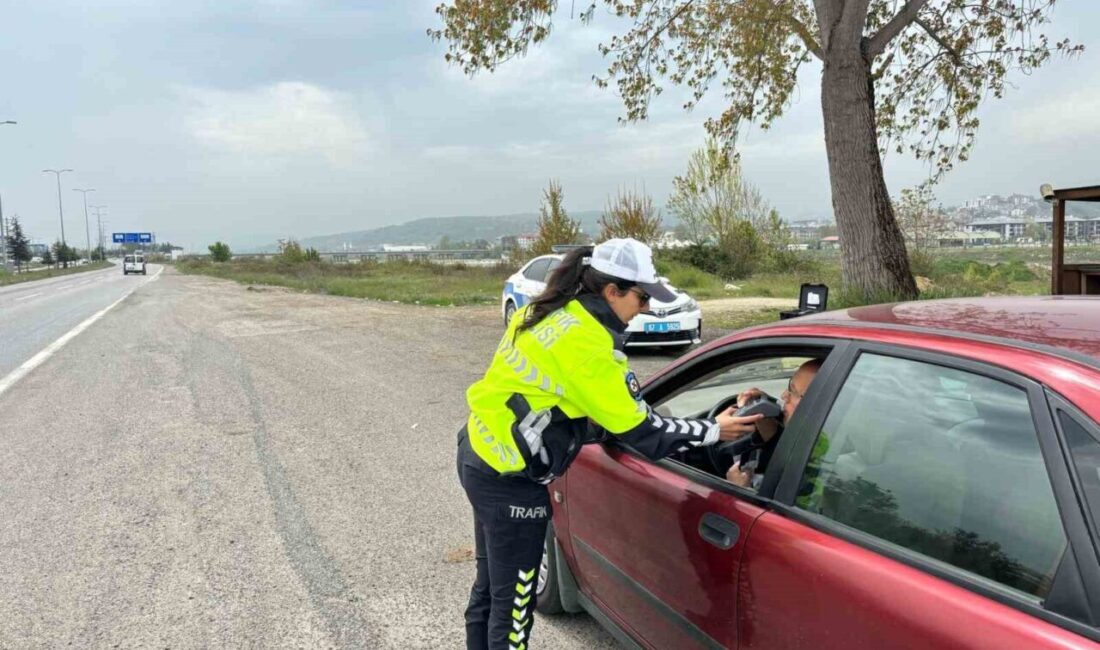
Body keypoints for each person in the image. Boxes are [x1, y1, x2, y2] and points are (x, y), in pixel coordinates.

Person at [457, 238, 763, 650]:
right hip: (512, 481)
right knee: (512, 612)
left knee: (490, 590)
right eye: (642, 297)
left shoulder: (545, 311)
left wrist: (590, 429)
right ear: (612, 291)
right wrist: (713, 430)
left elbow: (549, 396)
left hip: (479, 451)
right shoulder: (588, 346)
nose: (646, 308)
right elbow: (644, 431)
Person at [726, 358, 822, 489]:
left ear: (817, 404)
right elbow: (777, 440)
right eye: (789, 386)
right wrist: (765, 404)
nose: (783, 395)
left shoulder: (809, 462)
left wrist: (740, 489)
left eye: (793, 391)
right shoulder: (811, 436)